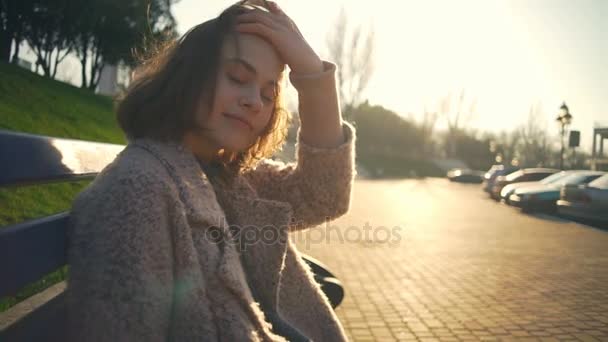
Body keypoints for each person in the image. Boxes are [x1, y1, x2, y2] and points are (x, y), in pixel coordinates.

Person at [66, 1, 356, 341]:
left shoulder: (230, 176)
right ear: (188, 75)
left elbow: (323, 195)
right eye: (238, 77)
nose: (255, 101)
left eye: (268, 93)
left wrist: (312, 76)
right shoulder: (137, 189)